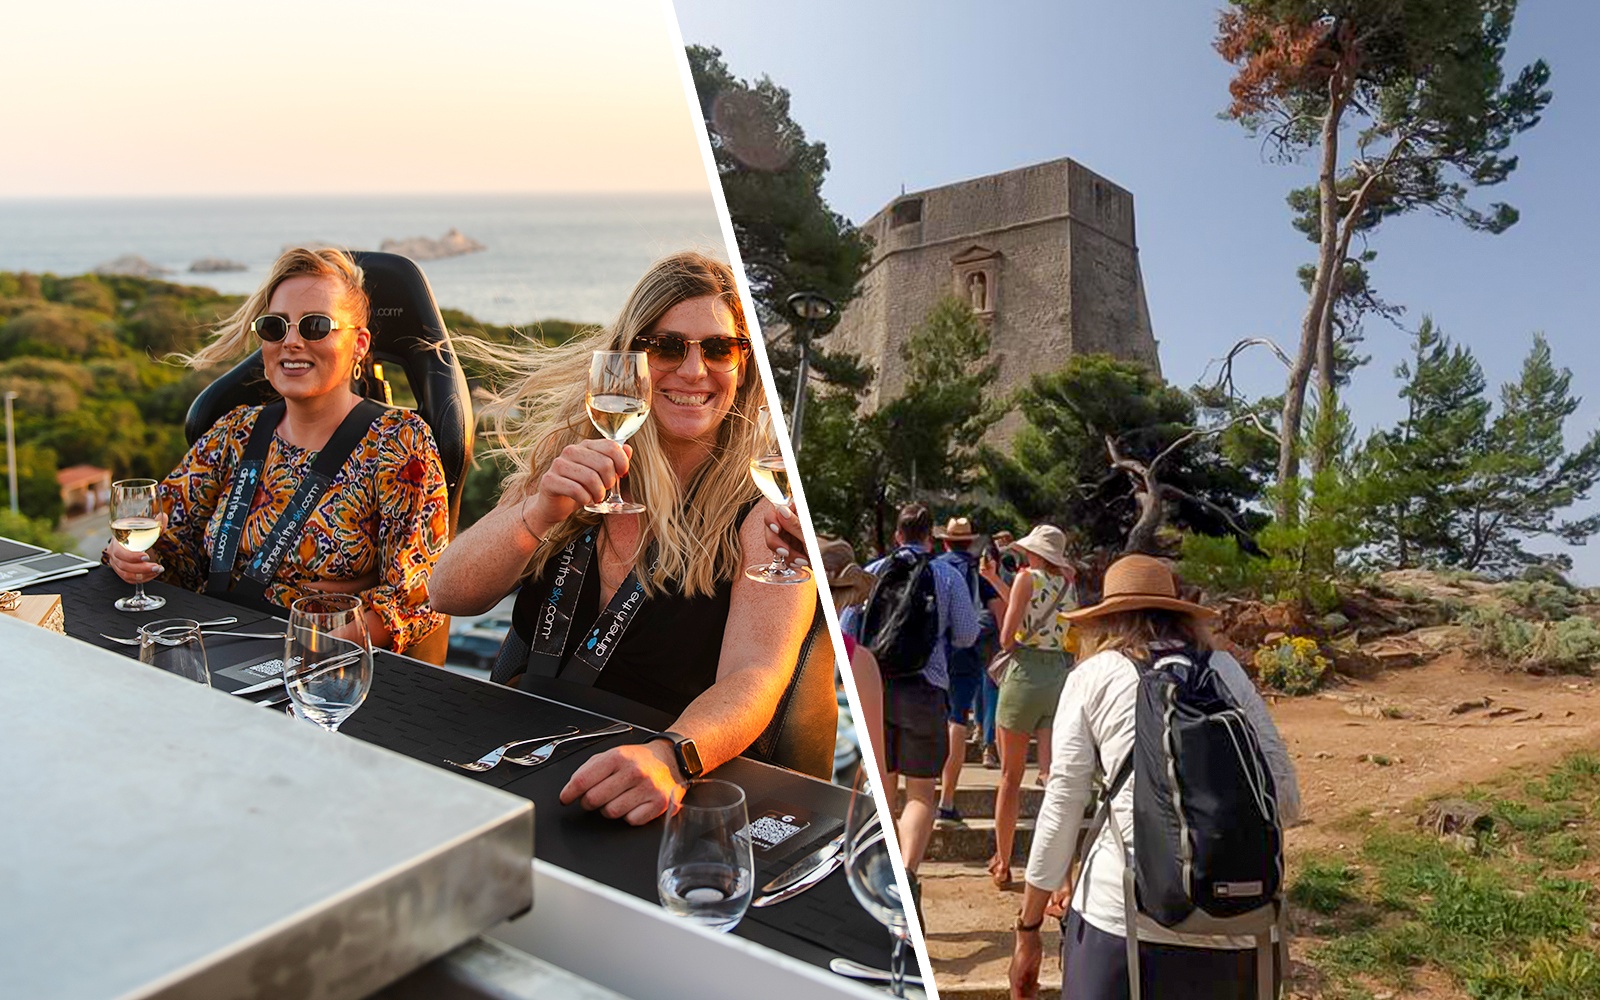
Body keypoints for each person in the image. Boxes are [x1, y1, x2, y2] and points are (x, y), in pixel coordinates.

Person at [430, 251, 812, 827]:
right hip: (522, 756)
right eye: (666, 347)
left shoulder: (761, 510)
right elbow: (447, 594)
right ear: (629, 358)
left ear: (744, 364)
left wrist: (672, 757)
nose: (693, 370)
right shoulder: (572, 463)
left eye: (717, 348)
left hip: (658, 788)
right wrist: (537, 514)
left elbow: (755, 675)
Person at [104, 247, 448, 653]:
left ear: (359, 344)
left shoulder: (397, 444)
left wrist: (320, 647)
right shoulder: (235, 431)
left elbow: (418, 598)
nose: (292, 342)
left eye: (316, 326)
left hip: (317, 660)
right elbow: (172, 540)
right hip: (205, 643)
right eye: (275, 327)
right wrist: (130, 557)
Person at [1009, 555, 1302, 1000]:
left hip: (1121, 920)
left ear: (1102, 621)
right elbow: (1286, 797)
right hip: (1241, 927)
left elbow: (1062, 808)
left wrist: (1028, 929)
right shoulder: (1224, 670)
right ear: (1180, 615)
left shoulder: (1093, 676)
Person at [857, 502, 979, 877]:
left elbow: (847, 631)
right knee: (922, 794)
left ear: (897, 536)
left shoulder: (873, 572)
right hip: (926, 690)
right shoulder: (946, 577)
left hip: (876, 688)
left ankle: (884, 872)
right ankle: (907, 875)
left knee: (884, 791)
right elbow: (966, 634)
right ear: (931, 538)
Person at [990, 524, 1077, 889]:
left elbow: (1007, 636)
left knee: (1010, 777)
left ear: (1033, 551)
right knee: (1052, 778)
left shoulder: (1027, 578)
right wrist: (997, 582)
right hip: (1059, 675)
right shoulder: (1069, 584)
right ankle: (1061, 876)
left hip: (1024, 675)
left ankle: (1003, 862)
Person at [932, 516, 1005, 829]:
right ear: (969, 542)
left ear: (945, 541)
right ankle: (946, 802)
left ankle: (923, 791)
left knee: (935, 716)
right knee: (957, 721)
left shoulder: (934, 566)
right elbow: (1000, 614)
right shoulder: (979, 570)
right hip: (968, 653)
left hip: (932, 652)